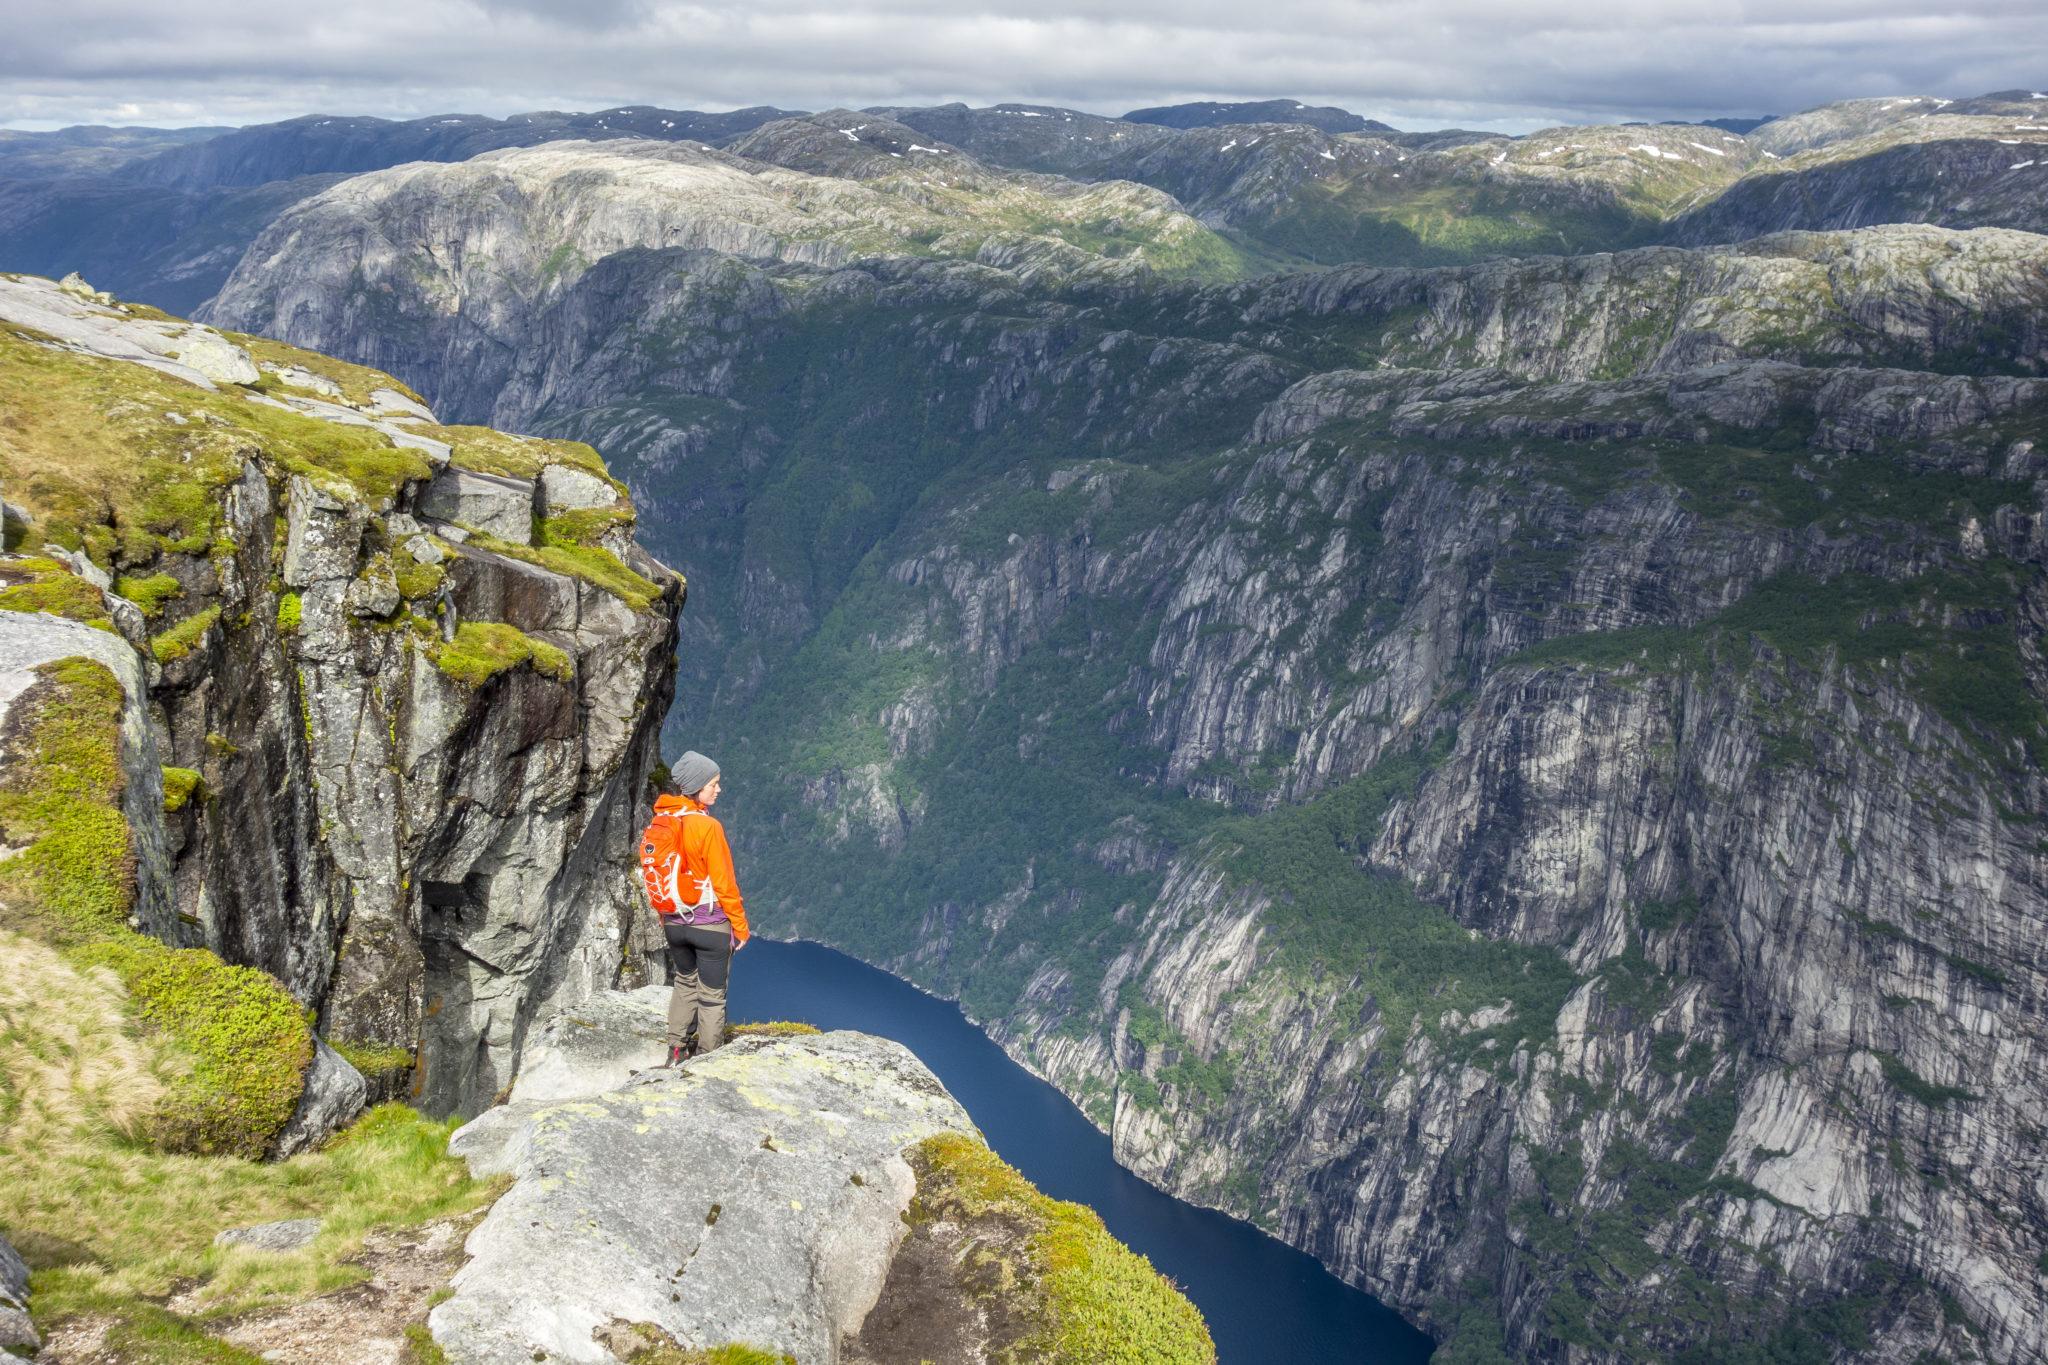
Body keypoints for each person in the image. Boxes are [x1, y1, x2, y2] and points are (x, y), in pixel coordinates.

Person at [638, 750, 749, 1064]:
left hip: (674, 923)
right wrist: (740, 927)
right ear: (697, 786)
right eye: (713, 783)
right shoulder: (707, 827)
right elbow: (724, 884)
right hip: (710, 926)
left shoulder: (662, 822)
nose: (718, 789)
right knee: (711, 996)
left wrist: (665, 916)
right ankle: (705, 1060)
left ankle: (675, 1052)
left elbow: (657, 872)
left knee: (684, 983)